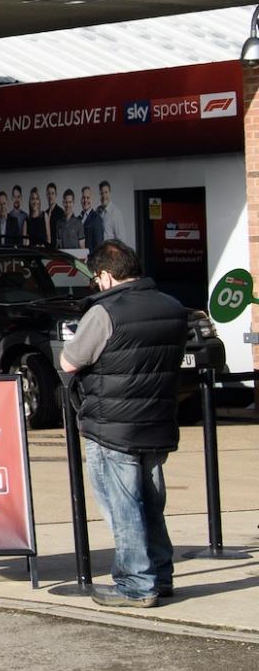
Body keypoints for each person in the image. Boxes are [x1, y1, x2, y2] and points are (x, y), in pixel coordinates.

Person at [60, 241, 189, 608]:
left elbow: (70, 362)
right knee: (151, 504)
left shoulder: (105, 313)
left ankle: (136, 583)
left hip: (112, 427)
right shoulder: (173, 307)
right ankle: (160, 576)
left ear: (104, 275)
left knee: (124, 506)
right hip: (158, 421)